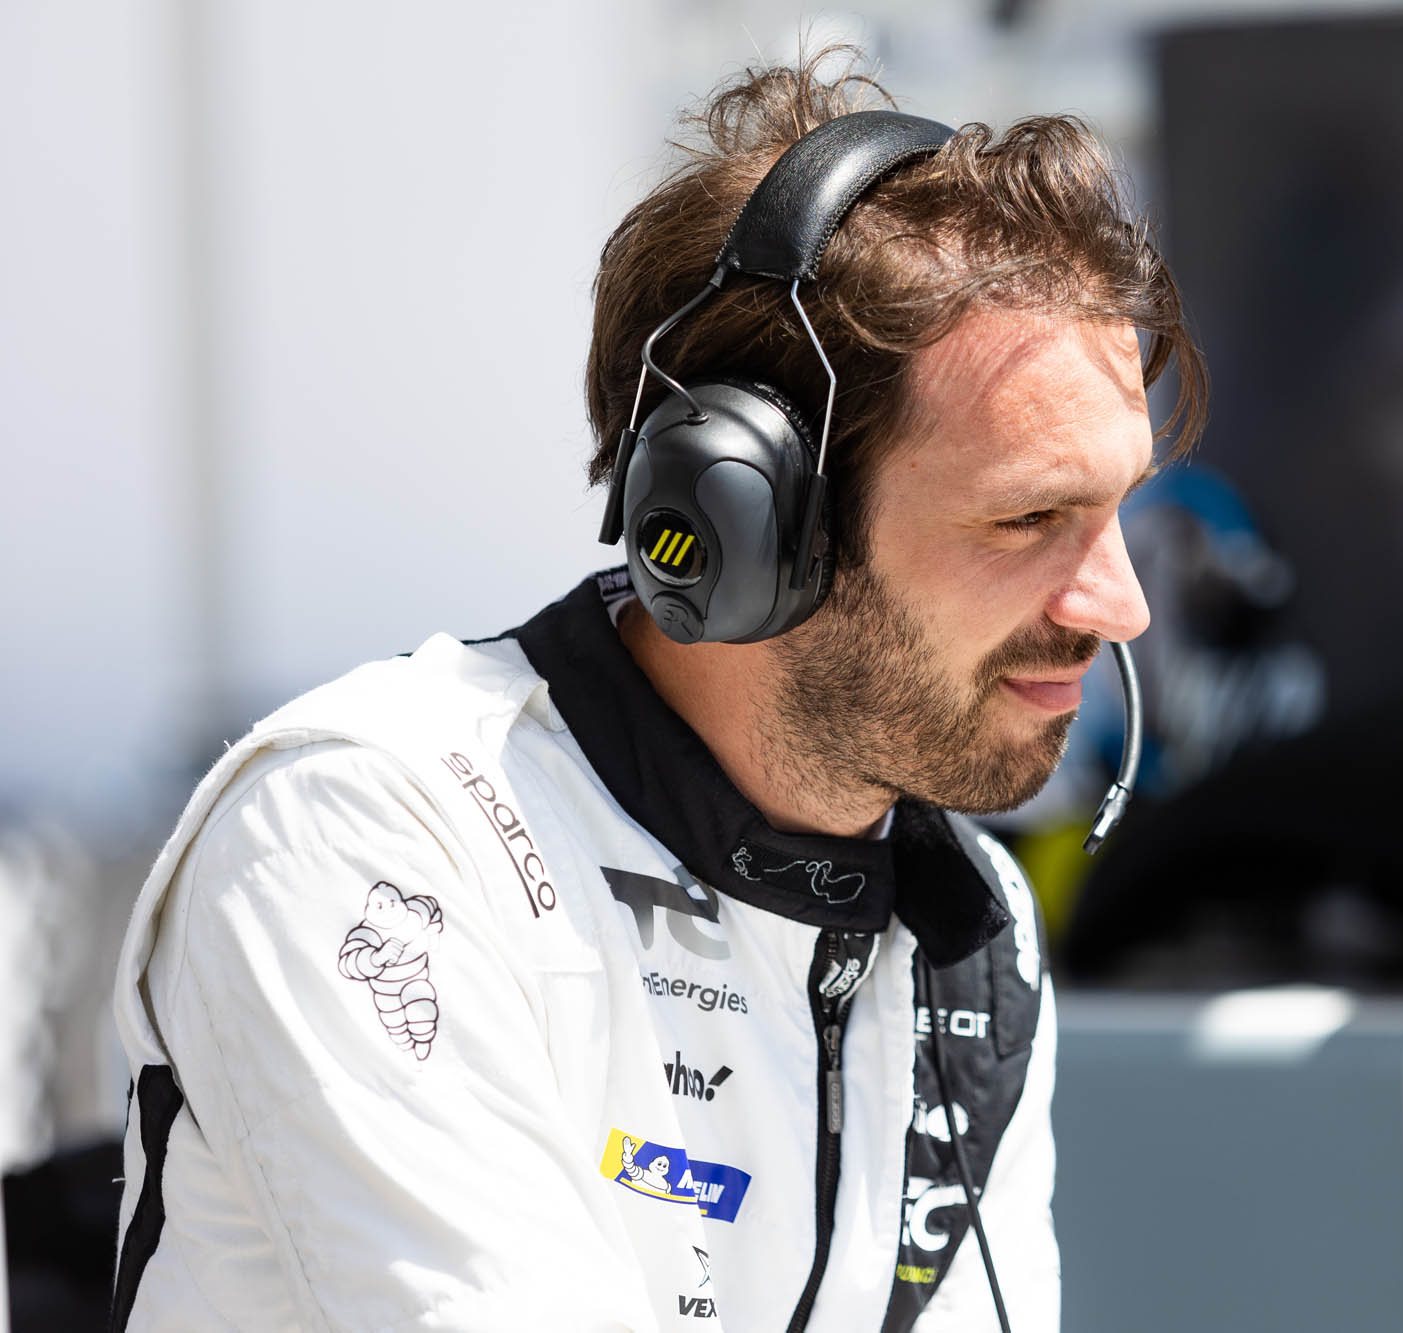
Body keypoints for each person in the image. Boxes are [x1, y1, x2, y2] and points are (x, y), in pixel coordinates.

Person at [109, 47, 1204, 1332]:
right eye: (1028, 517)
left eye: (1118, 508)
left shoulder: (970, 925)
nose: (1120, 605)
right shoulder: (371, 837)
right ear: (747, 525)